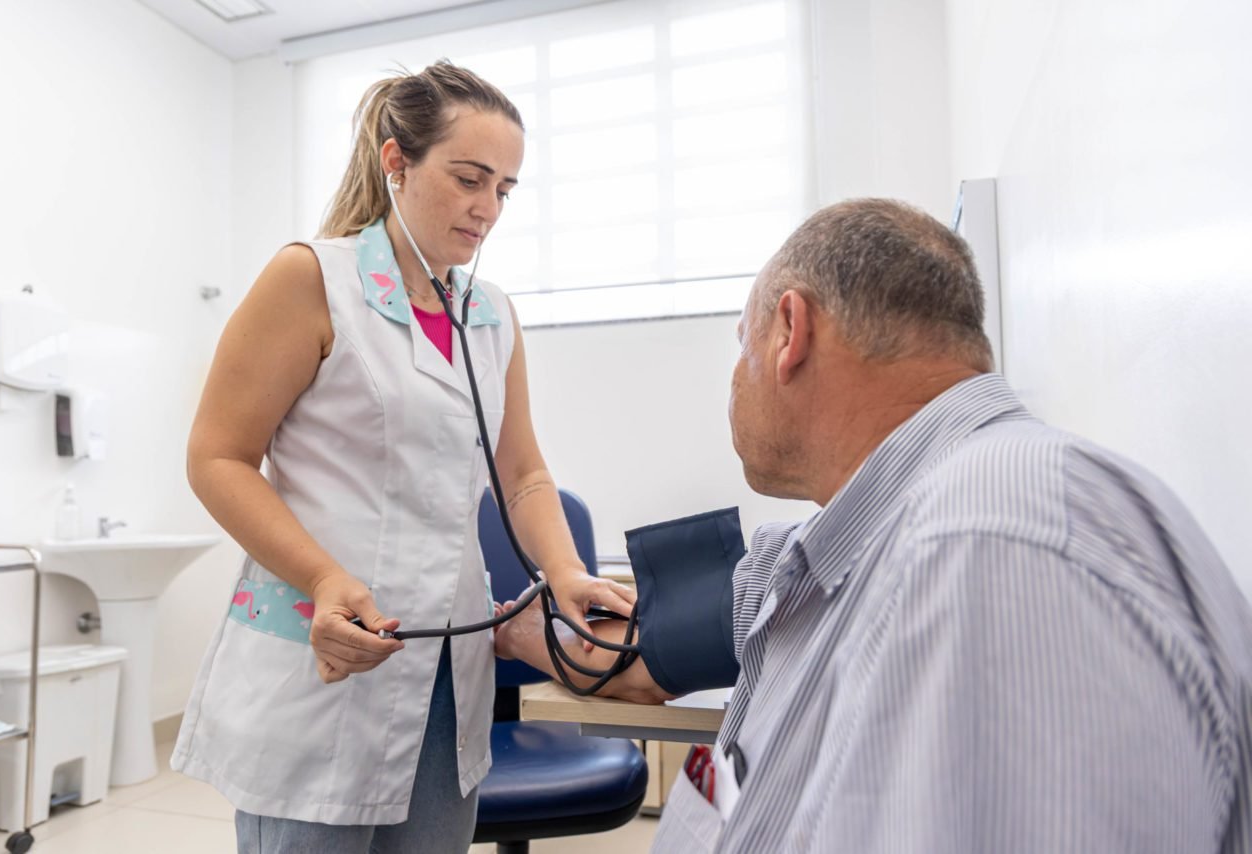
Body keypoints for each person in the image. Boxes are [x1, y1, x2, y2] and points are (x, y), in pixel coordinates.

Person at [495, 198, 1252, 852]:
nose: (734, 379)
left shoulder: (994, 545)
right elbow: (627, 650)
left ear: (790, 331)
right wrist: (514, 629)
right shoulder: (837, 553)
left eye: (739, 345)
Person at [170, 60, 635, 854]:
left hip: (446, 674)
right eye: (468, 178)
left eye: (505, 190)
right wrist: (322, 579)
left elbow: (522, 472)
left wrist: (565, 574)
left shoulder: (490, 314)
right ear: (397, 164)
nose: (487, 208)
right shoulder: (312, 279)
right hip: (320, 671)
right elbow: (217, 457)